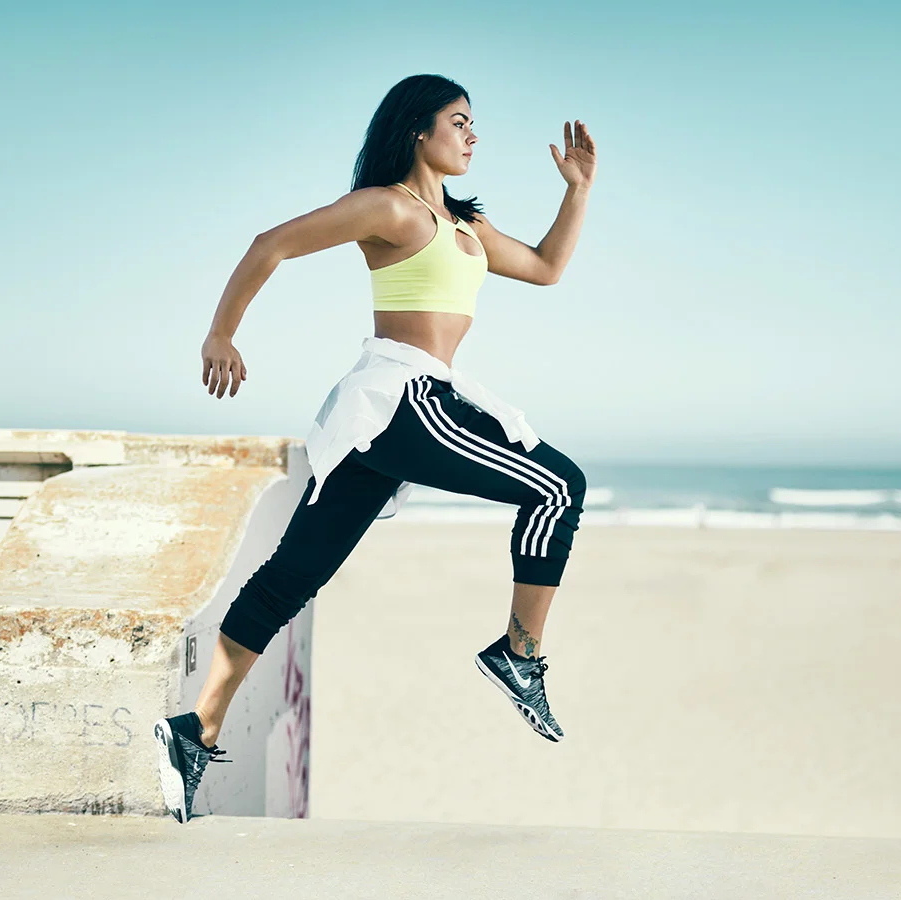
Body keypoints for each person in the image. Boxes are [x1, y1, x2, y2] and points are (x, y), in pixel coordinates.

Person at [153, 73, 596, 823]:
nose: (472, 134)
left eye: (473, 123)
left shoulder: (466, 225)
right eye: (459, 121)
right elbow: (271, 244)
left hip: (394, 414)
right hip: (400, 398)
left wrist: (577, 191)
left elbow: (547, 269)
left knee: (291, 576)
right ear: (418, 130)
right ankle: (518, 656)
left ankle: (194, 731)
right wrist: (221, 332)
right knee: (557, 487)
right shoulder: (388, 208)